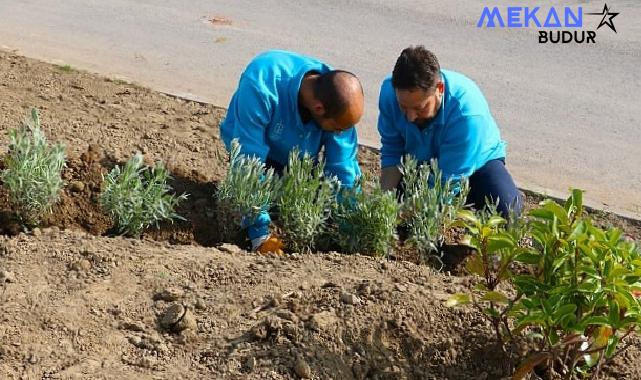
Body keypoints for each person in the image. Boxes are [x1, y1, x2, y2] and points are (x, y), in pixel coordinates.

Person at [220, 50, 364, 253]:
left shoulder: (339, 99)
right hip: (259, 149)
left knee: (309, 206)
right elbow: (248, 159)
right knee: (249, 199)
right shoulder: (263, 83)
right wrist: (259, 234)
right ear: (319, 108)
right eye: (338, 128)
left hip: (300, 159)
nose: (341, 132)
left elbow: (344, 168)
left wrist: (351, 230)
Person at [377, 45, 522, 217]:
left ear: (439, 89)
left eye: (419, 108)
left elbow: (446, 184)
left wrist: (405, 214)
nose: (410, 117)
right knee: (394, 205)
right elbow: (392, 152)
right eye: (403, 107)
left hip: (476, 165)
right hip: (423, 163)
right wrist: (382, 204)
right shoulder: (389, 93)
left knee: (508, 212)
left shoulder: (467, 113)